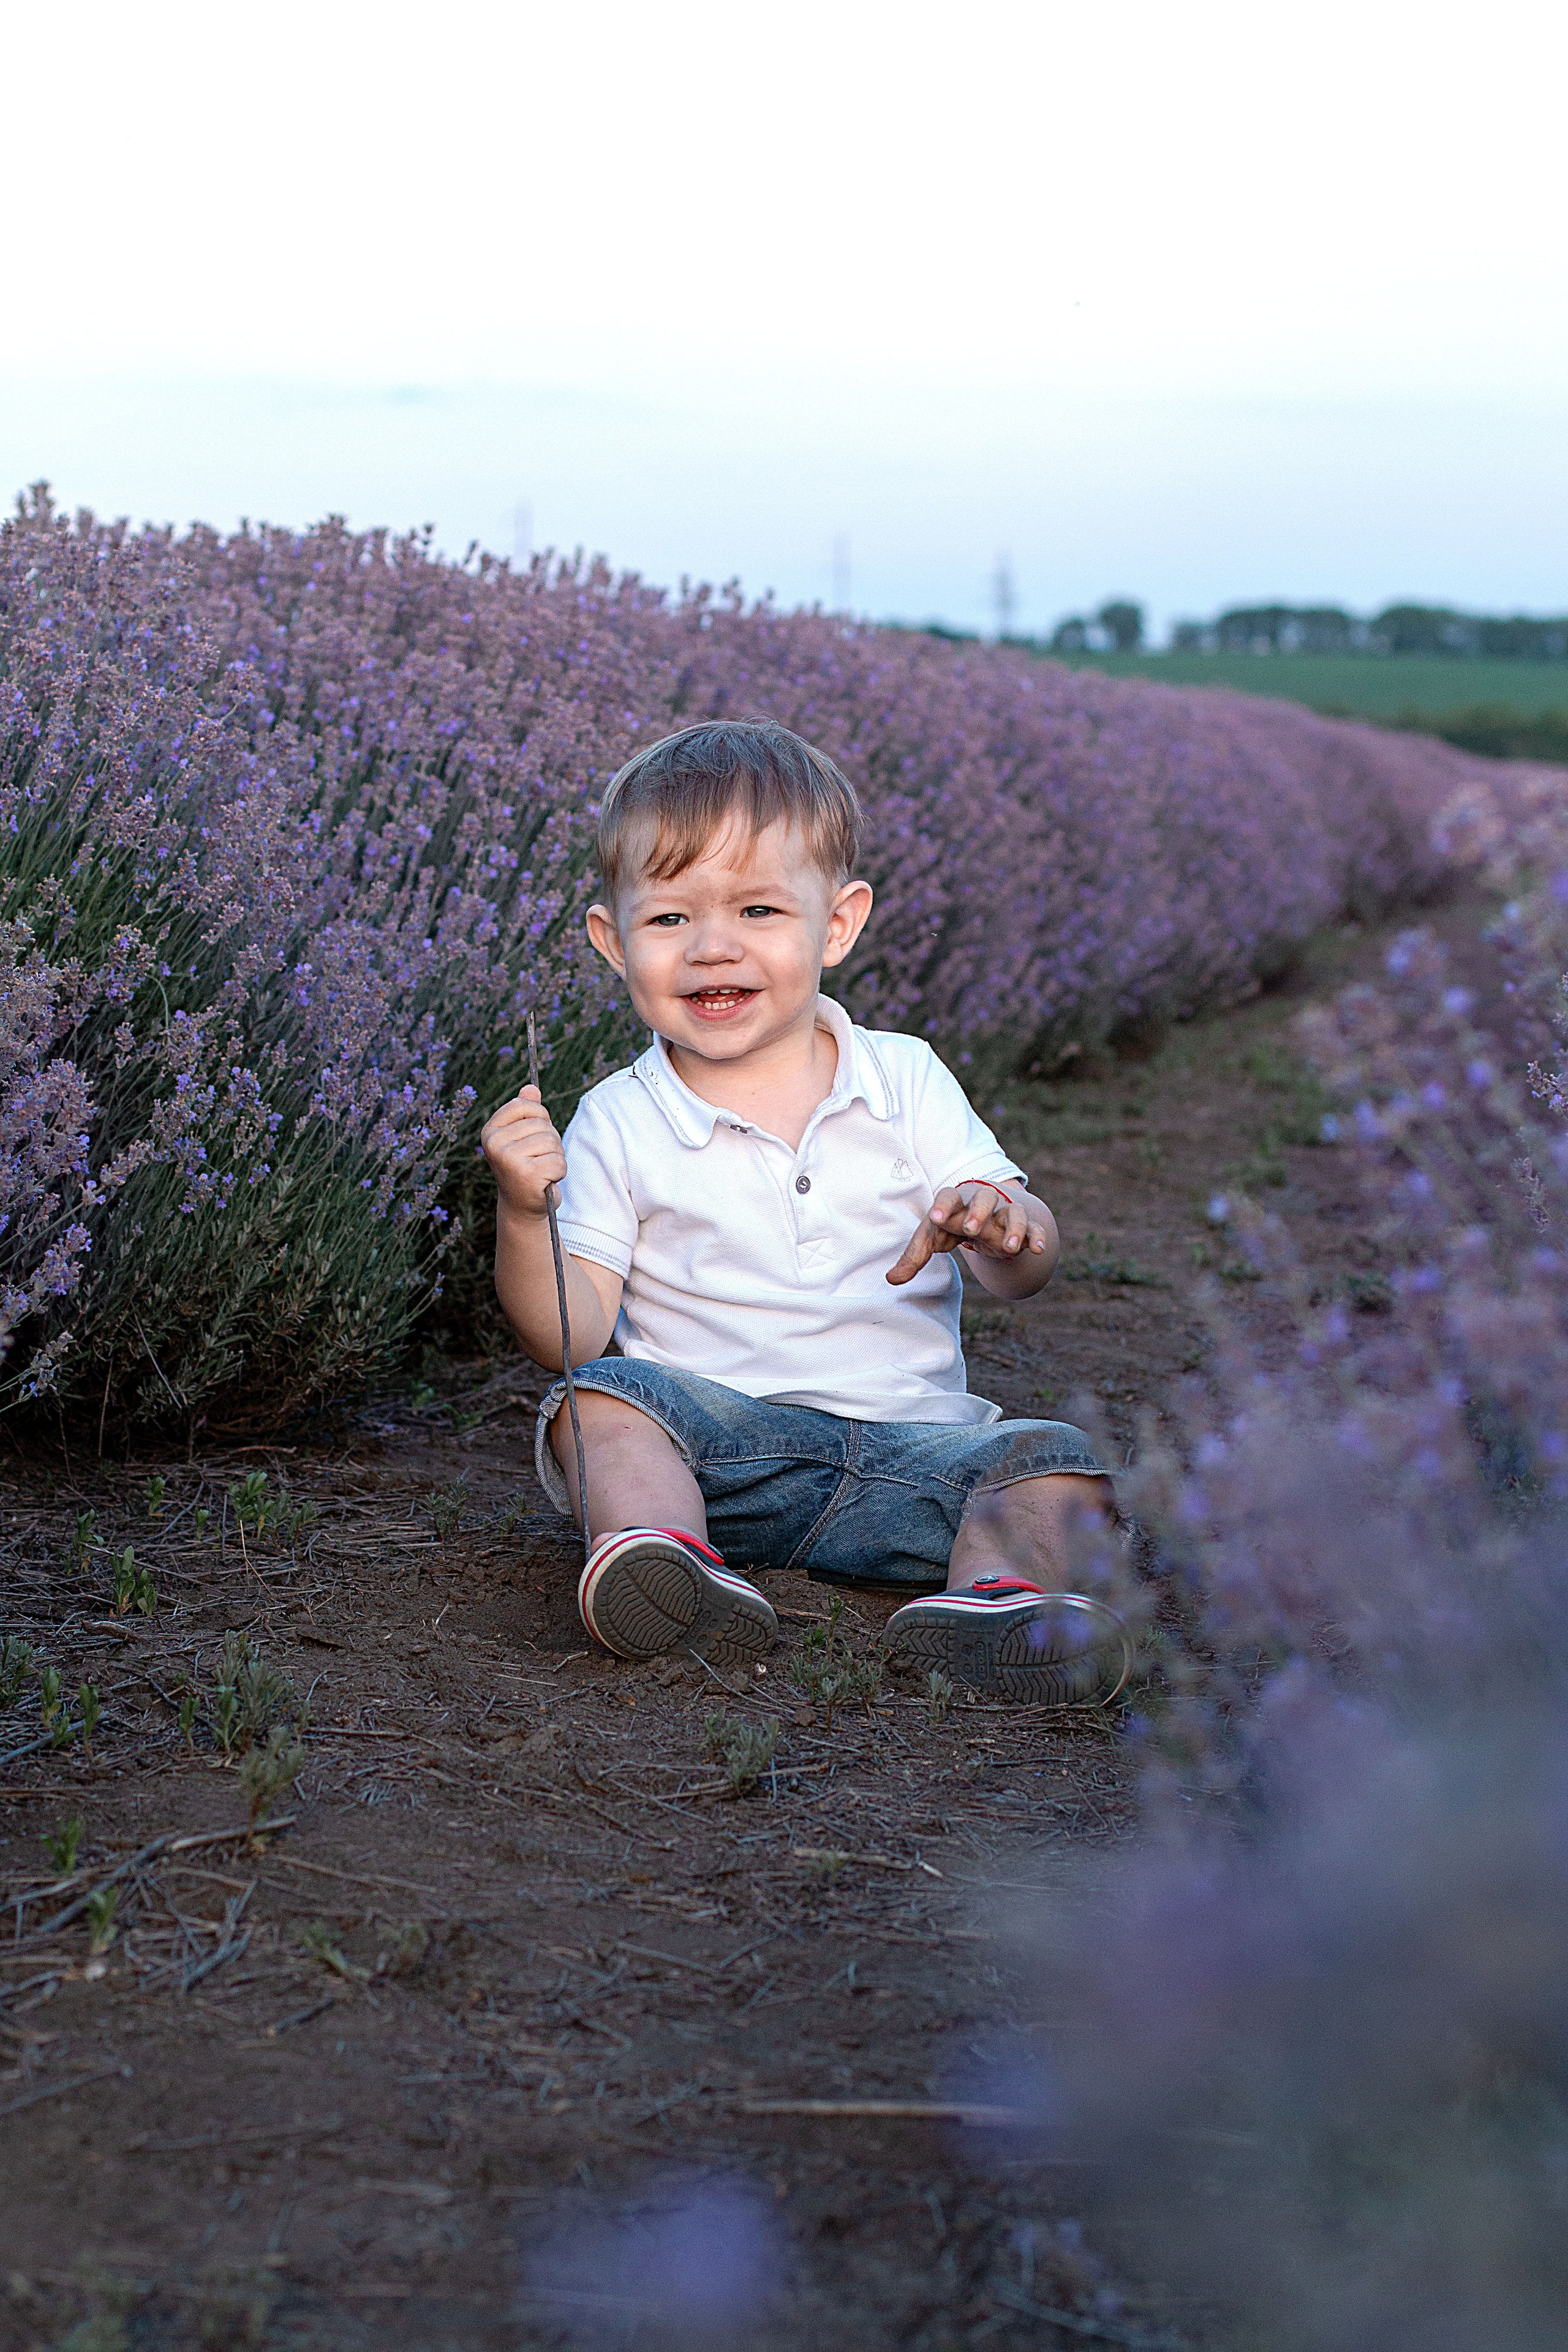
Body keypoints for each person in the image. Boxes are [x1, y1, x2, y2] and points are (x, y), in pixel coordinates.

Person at [480, 720, 1129, 1705]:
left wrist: (1004, 1220)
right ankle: (670, 1561)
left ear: (837, 922)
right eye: (668, 921)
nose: (713, 947)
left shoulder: (904, 1077)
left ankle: (1003, 1599)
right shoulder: (620, 1115)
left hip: (919, 1457)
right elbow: (563, 1334)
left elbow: (1022, 1266)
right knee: (598, 1403)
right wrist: (524, 1214)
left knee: (1056, 1461)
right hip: (719, 1457)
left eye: (757, 909)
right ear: (612, 942)